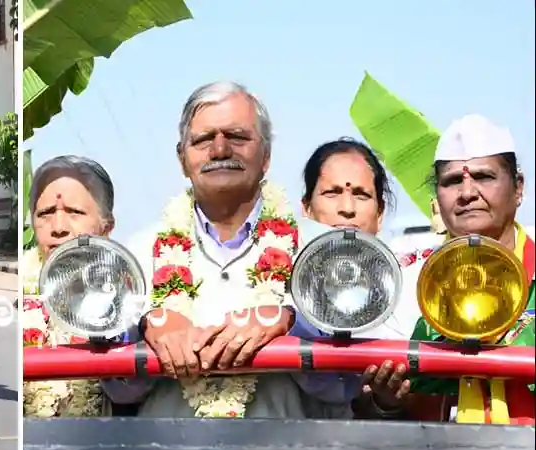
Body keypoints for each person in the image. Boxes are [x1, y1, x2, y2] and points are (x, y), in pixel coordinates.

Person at [108, 81, 357, 419]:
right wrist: (147, 328)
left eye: (237, 137)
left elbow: (344, 384)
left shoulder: (327, 251)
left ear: (266, 155)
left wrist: (290, 324)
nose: (220, 149)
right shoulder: (133, 256)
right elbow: (117, 389)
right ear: (183, 159)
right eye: (203, 140)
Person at [397, 114, 534, 425]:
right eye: (453, 181)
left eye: (484, 177)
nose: (468, 192)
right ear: (437, 197)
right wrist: (384, 402)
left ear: (518, 188)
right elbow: (387, 408)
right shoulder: (406, 286)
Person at [296, 137, 417, 418]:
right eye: (332, 192)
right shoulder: (274, 286)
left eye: (362, 194)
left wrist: (385, 401)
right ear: (306, 208)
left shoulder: (409, 291)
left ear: (380, 213)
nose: (347, 207)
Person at [21, 155, 126, 418]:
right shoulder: (15, 294)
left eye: (74, 213)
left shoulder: (129, 296)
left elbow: (131, 392)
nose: (58, 228)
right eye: (45, 214)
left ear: (106, 227)